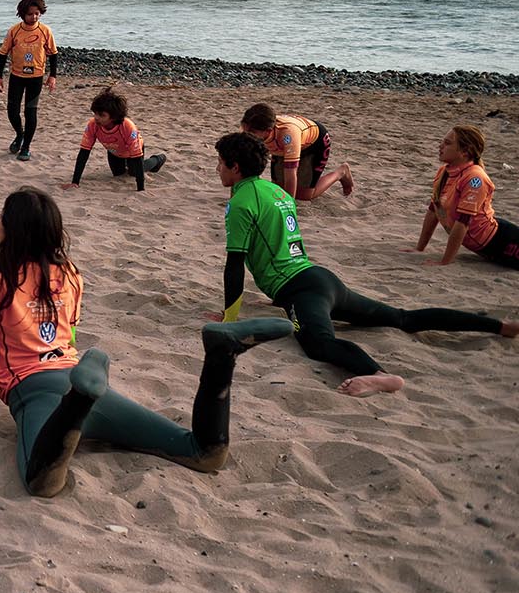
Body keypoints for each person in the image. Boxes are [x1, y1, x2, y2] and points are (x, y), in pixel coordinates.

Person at [0, 187, 292, 497]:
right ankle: (221, 357)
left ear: (10, 228)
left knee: (41, 481)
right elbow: (71, 335)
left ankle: (77, 403)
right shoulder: (70, 273)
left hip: (33, 389)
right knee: (203, 453)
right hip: (77, 372)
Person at [211, 132, 517, 397]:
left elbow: (235, 264)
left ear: (235, 168)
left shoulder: (240, 203)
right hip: (320, 278)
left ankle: (380, 375)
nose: (217, 169)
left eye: (221, 163)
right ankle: (498, 326)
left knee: (319, 345)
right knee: (402, 318)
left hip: (300, 290)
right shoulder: (275, 189)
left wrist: (230, 317)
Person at [407, 126, 518, 269]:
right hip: (483, 244)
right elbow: (433, 210)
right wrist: (419, 248)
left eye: (447, 143)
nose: (440, 146)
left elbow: (463, 223)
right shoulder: (444, 171)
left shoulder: (475, 178)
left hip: (500, 241)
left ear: (465, 151)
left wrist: (445, 262)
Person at [240, 103, 354, 202]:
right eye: (244, 129)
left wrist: (289, 206)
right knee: (278, 191)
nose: (246, 135)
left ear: (268, 131)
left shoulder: (288, 134)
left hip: (314, 143)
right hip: (280, 147)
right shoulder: (251, 129)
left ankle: (341, 172)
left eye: (251, 132)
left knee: (303, 196)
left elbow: (291, 174)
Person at [62, 87, 166, 192]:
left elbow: (137, 158)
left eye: (102, 115)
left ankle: (158, 159)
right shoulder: (93, 124)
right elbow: (84, 153)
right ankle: (125, 164)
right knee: (118, 174)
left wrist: (140, 189)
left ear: (114, 117)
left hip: (131, 152)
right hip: (114, 152)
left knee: (133, 172)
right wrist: (75, 182)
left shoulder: (127, 126)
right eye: (95, 113)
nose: (96, 118)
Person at [0, 0, 58, 161]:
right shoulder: (14, 31)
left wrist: (53, 76)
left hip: (36, 78)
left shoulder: (45, 31)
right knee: (12, 111)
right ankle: (19, 134)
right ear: (22, 14)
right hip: (17, 76)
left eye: (37, 13)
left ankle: (26, 146)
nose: (34, 17)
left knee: (31, 113)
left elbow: (53, 54)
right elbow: (3, 54)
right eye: (30, 14)